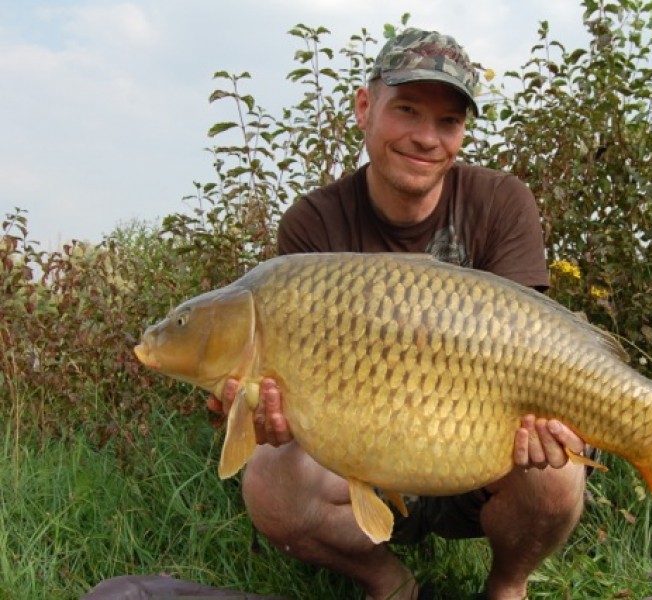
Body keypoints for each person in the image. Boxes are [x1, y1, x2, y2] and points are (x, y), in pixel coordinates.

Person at [204, 27, 589, 600]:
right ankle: (390, 583)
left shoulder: (501, 203)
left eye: (448, 122)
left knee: (558, 472)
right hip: (359, 461)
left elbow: (528, 350)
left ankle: (508, 587)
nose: (427, 138)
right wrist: (269, 420)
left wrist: (548, 421)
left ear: (462, 133)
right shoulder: (313, 225)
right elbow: (281, 399)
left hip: (476, 457)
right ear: (365, 106)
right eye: (407, 110)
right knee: (267, 479)